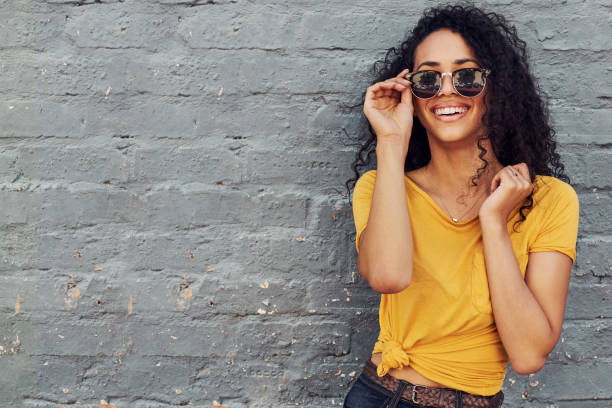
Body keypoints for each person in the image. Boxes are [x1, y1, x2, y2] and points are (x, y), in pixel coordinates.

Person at [343, 4, 579, 408]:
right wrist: (391, 142)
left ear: (497, 88)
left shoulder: (548, 200)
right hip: (384, 397)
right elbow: (387, 276)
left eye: (467, 76)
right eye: (428, 78)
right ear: (412, 95)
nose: (446, 90)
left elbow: (527, 354)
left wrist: (494, 223)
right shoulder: (381, 187)